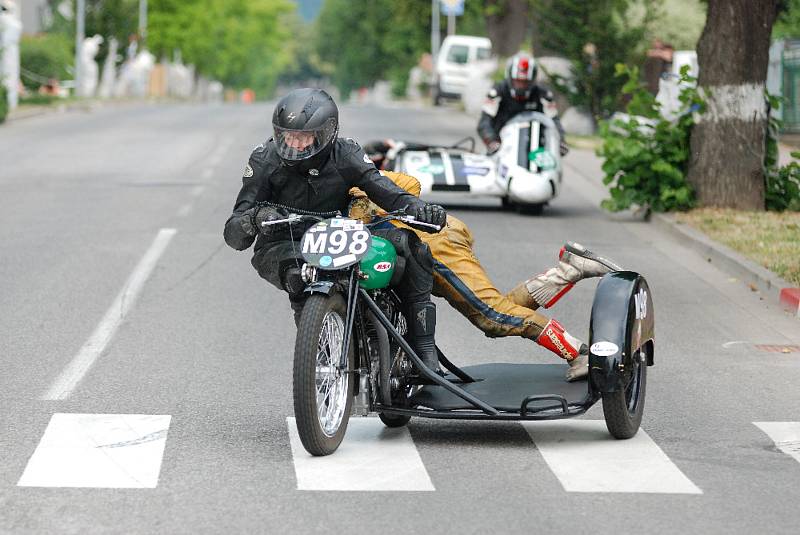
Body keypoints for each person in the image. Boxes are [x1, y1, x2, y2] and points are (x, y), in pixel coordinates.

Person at [223, 88, 447, 370]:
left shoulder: (346, 153)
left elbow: (385, 192)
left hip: (341, 236)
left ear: (326, 133)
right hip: (287, 243)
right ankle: (318, 348)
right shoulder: (264, 160)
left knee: (413, 249)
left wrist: (419, 208)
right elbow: (233, 233)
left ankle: (423, 349)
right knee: (299, 274)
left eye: (302, 137)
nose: (294, 144)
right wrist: (255, 218)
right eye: (287, 136)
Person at [351, 152, 622, 381]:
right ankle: (569, 269)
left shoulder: (352, 177)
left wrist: (376, 209)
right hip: (409, 246)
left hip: (434, 241)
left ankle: (579, 353)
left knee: (494, 317)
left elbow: (409, 184)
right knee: (496, 309)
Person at [477, 52, 568, 157]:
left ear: (532, 81)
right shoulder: (497, 92)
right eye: (518, 82)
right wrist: (491, 141)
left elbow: (554, 121)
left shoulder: (544, 95)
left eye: (525, 82)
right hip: (501, 147)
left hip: (535, 148)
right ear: (510, 78)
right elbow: (484, 122)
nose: (521, 86)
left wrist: (561, 141)